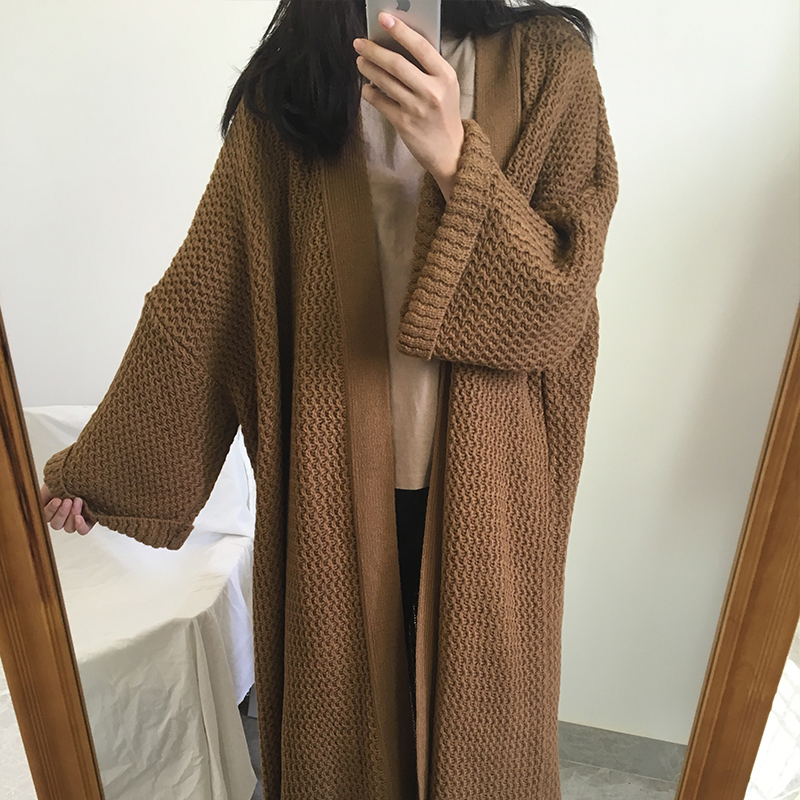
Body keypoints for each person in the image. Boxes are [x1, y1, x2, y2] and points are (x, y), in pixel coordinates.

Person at [41, 2, 618, 798]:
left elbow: (558, 303)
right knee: (338, 721)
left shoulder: (550, 65)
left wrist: (456, 157)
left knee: (490, 728)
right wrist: (107, 472)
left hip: (495, 477)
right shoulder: (293, 87)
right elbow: (207, 300)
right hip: (328, 471)